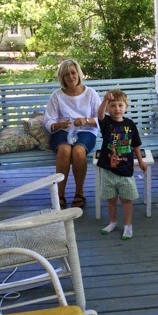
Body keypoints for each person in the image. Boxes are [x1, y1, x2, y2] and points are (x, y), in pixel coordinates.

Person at [44, 59, 101, 209]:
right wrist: (58, 125)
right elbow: (48, 120)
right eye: (66, 74)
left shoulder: (90, 93)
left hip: (86, 131)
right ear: (62, 78)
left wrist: (86, 120)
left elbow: (101, 118)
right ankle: (60, 195)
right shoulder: (57, 96)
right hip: (62, 131)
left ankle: (79, 193)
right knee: (64, 150)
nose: (70, 77)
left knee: (78, 152)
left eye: (73, 73)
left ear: (78, 73)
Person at [96, 89, 147, 240]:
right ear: (107, 108)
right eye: (112, 105)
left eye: (120, 105)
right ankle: (112, 222)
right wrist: (105, 100)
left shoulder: (130, 124)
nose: (117, 109)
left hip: (126, 170)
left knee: (126, 200)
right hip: (108, 170)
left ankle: (128, 226)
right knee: (111, 199)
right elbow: (99, 114)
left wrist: (141, 161)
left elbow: (136, 144)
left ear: (126, 107)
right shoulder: (106, 123)